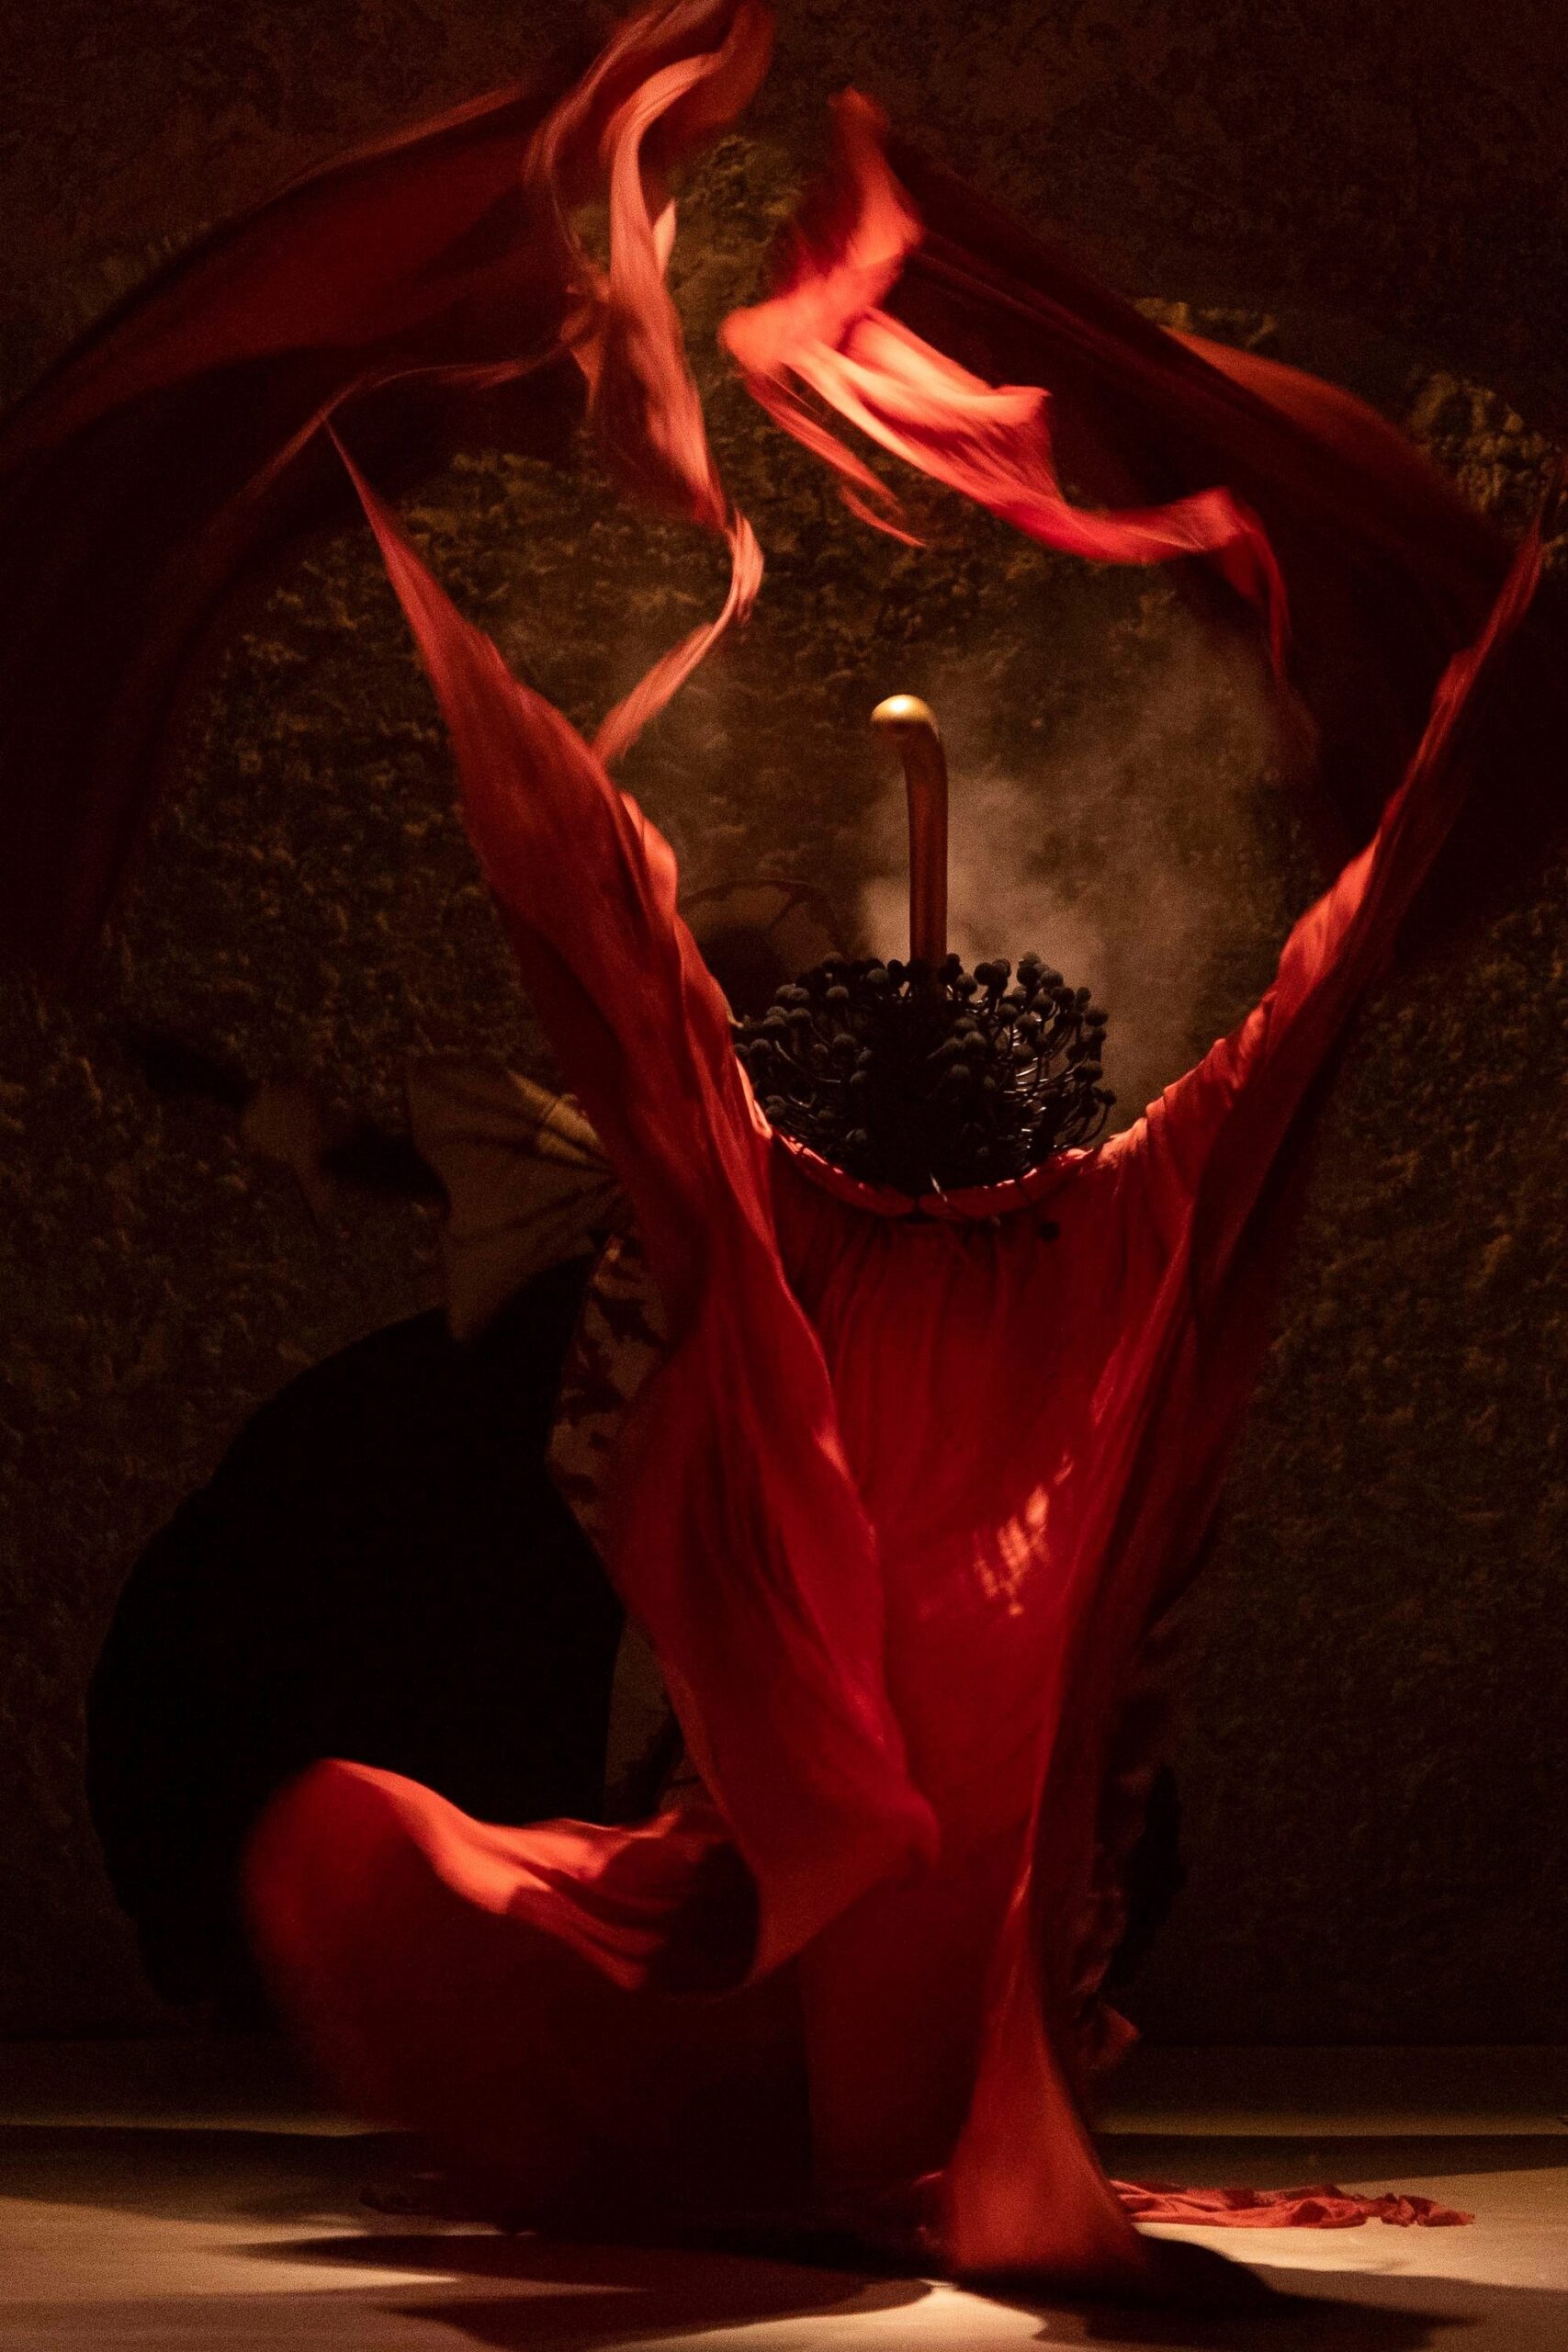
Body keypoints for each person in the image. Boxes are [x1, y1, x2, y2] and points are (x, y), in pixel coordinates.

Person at [2, 0, 1557, 2299]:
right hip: (782, 1931)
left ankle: (882, 2012)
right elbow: (594, 935)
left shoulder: (1037, 1224)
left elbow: (606, 922)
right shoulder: (837, 1214)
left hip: (863, 1966)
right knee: (382, 1825)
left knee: (478, 1813)